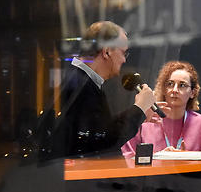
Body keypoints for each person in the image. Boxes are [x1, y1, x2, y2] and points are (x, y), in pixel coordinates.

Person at [38, 21, 155, 159]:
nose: (124, 60)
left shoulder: (80, 79)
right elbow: (102, 141)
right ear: (107, 51)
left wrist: (141, 112)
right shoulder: (79, 85)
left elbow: (101, 129)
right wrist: (139, 108)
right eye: (123, 53)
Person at [121, 61, 201, 157]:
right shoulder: (146, 120)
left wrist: (187, 159)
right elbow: (127, 157)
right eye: (170, 84)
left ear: (193, 92)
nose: (175, 90)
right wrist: (159, 157)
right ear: (163, 89)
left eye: (182, 85)